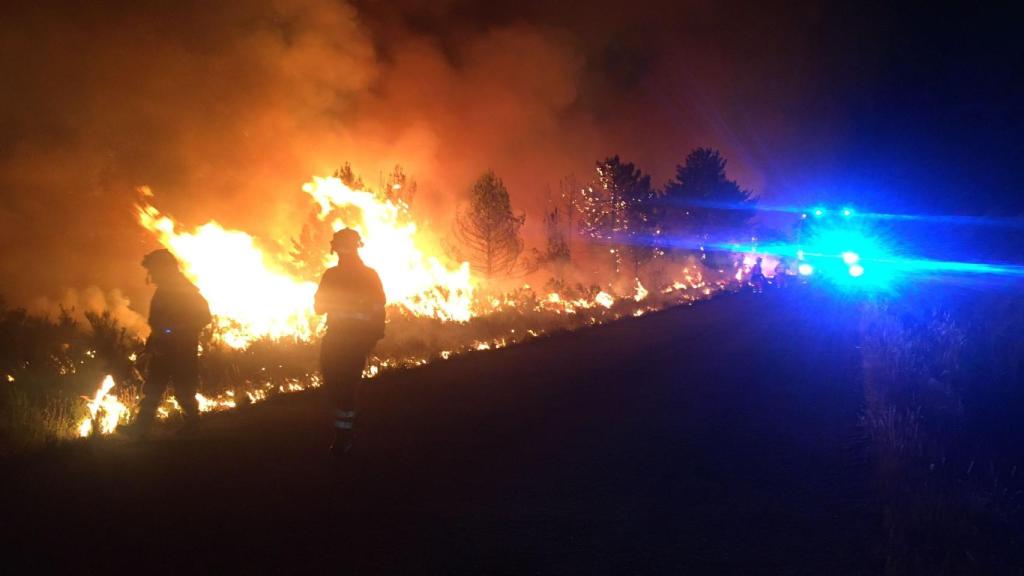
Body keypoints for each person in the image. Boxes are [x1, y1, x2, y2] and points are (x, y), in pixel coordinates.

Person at [314, 228, 386, 457]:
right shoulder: (370, 275)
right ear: (358, 246)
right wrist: (372, 336)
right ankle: (345, 431)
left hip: (337, 340)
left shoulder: (331, 276)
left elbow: (318, 308)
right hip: (357, 341)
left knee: (337, 386)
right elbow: (378, 307)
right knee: (347, 386)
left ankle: (344, 435)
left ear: (336, 248)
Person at [129, 249, 211, 437]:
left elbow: (204, 317)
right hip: (164, 349)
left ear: (164, 268)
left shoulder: (183, 289)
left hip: (181, 349)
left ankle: (194, 425)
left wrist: (175, 331)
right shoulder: (166, 289)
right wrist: (155, 339)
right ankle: (141, 428)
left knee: (184, 389)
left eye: (154, 269)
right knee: (153, 388)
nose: (152, 275)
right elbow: (159, 321)